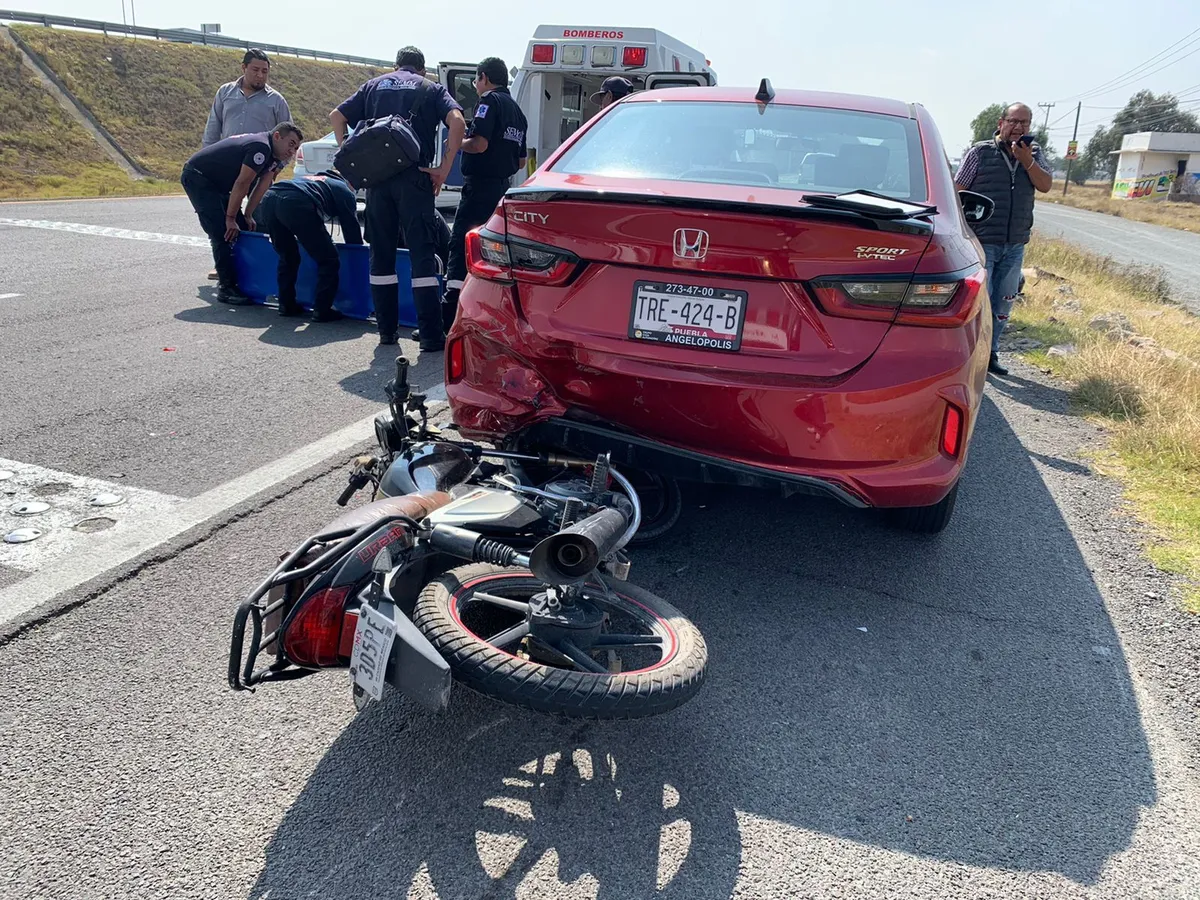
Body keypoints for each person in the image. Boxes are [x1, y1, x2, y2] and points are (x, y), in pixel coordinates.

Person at [330, 46, 466, 350]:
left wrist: (348, 151)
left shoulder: (373, 86)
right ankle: (430, 336)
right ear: (422, 69)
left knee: (381, 255)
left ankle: (386, 332)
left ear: (395, 66)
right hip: (416, 180)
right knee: (421, 256)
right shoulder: (431, 88)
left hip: (377, 181)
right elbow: (457, 122)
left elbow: (337, 116)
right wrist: (443, 169)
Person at [955, 102, 1052, 376]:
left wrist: (1027, 161)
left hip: (1015, 242)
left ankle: (991, 353)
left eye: (1024, 123)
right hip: (982, 241)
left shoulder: (1035, 154)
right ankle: (972, 355)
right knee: (981, 301)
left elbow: (1045, 185)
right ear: (1001, 123)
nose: (1018, 127)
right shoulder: (980, 153)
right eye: (1013, 121)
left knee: (1004, 301)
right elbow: (957, 190)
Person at [436, 57, 527, 338]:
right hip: (501, 191)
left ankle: (448, 321)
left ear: (484, 78)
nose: (476, 85)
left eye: (476, 80)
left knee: (460, 247)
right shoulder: (518, 112)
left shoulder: (489, 101)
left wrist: (457, 142)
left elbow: (479, 144)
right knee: (489, 253)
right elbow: (521, 161)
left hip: (479, 189)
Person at [181, 124, 303, 305]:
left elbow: (262, 186)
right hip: (198, 178)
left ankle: (245, 279)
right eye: (290, 144)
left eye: (296, 148)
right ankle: (226, 287)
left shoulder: (274, 157)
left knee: (243, 227)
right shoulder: (261, 147)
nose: (292, 151)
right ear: (277, 136)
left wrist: (248, 214)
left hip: (219, 184)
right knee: (222, 231)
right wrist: (230, 218)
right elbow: (243, 183)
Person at [202, 49, 292, 281]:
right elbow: (213, 128)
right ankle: (224, 264)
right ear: (243, 68)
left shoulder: (276, 101)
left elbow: (289, 139)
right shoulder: (225, 92)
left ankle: (257, 266)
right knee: (224, 215)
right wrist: (208, 159)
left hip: (260, 169)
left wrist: (276, 168)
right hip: (227, 167)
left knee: (259, 217)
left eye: (265, 71)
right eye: (255, 70)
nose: (260, 75)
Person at [255, 170, 363, 321]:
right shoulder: (344, 189)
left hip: (270, 198)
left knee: (288, 256)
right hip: (296, 202)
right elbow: (351, 229)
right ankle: (322, 309)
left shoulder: (313, 179)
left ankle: (286, 304)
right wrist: (358, 257)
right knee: (328, 260)